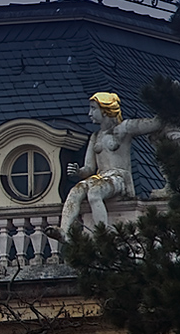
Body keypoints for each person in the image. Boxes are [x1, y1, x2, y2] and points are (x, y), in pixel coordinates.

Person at [55, 92, 161, 238]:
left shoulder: (124, 129)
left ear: (105, 111)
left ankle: (102, 231)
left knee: (94, 192)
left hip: (118, 177)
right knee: (75, 191)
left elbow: (153, 124)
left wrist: (166, 103)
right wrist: (78, 171)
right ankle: (64, 231)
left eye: (93, 108)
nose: (89, 113)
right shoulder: (95, 136)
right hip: (101, 176)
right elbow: (90, 169)